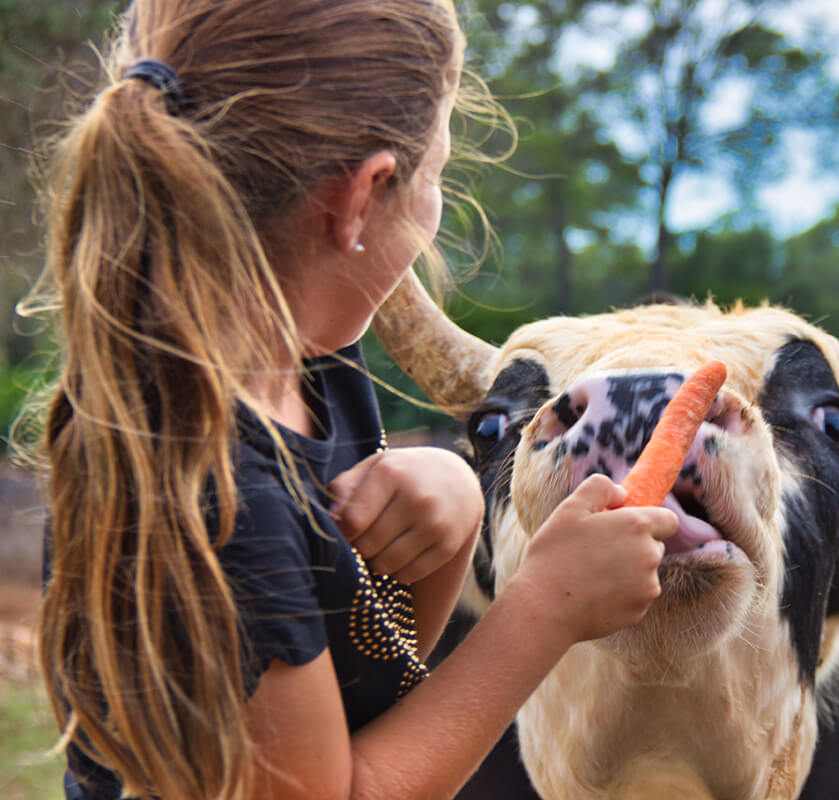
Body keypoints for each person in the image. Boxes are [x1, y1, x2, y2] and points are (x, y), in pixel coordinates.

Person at [24, 1, 678, 798]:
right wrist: (544, 610)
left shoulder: (312, 374)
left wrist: (456, 499)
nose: (436, 212)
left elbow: (360, 684)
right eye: (435, 175)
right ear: (362, 196)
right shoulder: (216, 487)